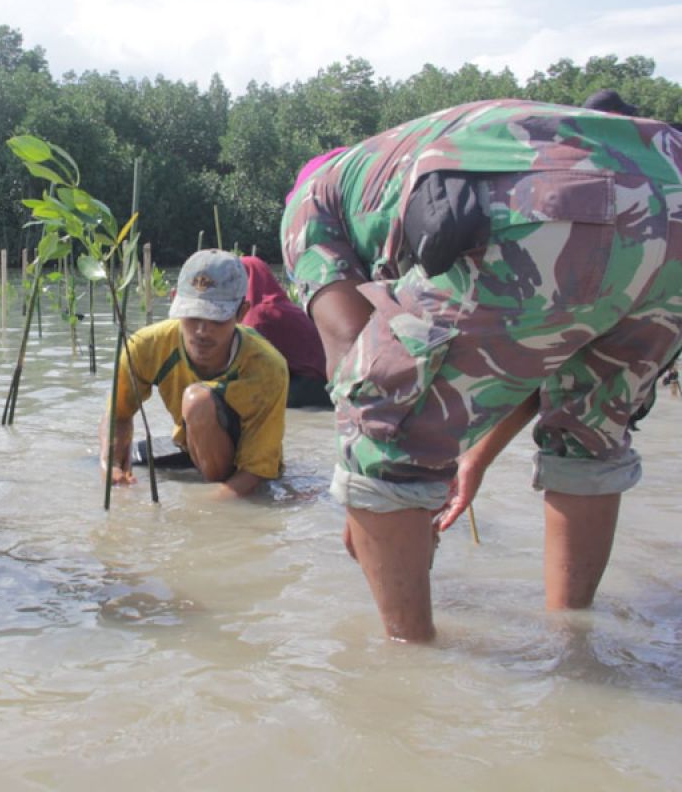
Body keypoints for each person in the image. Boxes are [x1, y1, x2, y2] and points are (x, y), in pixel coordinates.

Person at [280, 99, 682, 642]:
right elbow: (547, 354)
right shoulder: (408, 159)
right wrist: (471, 458)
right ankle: (574, 647)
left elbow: (351, 360)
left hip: (549, 193)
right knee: (588, 431)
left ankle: (409, 672)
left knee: (379, 425)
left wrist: (384, 494)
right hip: (670, 185)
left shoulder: (310, 201)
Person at [100, 249, 289, 497]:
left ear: (241, 313)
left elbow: (257, 472)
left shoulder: (268, 367)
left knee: (196, 400)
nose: (202, 331)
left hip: (243, 466)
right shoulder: (144, 346)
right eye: (193, 316)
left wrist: (199, 510)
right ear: (174, 300)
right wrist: (111, 466)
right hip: (191, 446)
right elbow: (118, 414)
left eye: (217, 319)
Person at [240, 255, 332, 408]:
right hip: (321, 383)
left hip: (307, 385)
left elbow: (247, 363)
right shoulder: (279, 304)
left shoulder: (259, 312)